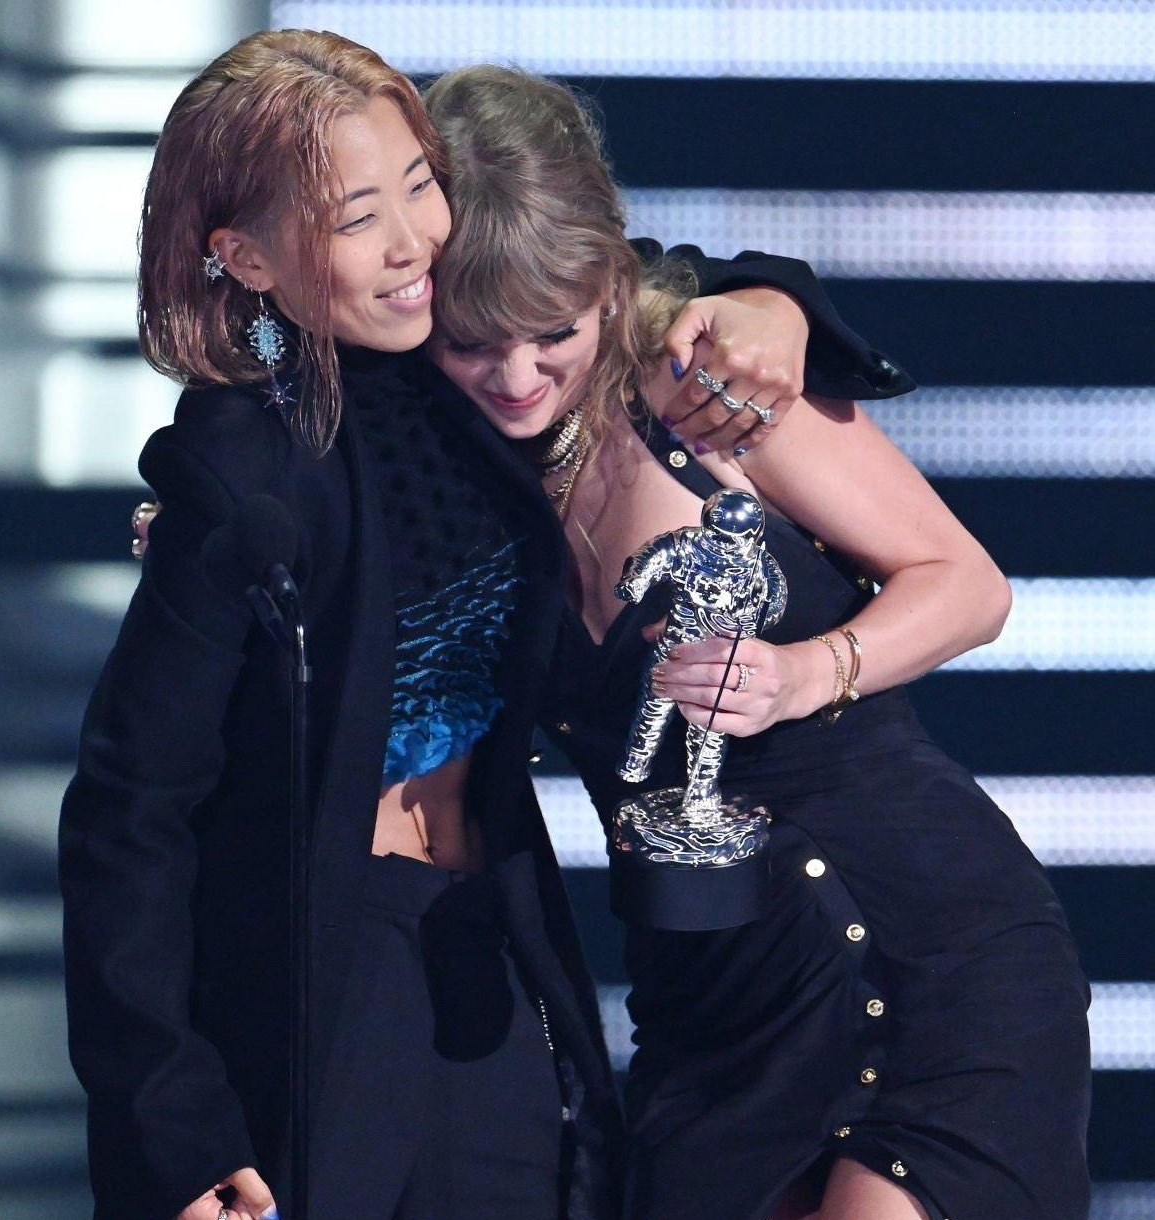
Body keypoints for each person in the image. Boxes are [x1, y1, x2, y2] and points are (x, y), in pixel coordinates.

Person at [59, 29, 904, 1220]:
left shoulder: (473, 371)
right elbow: (127, 814)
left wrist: (769, 299)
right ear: (245, 256)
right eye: (358, 217)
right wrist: (169, 1119)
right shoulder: (240, 474)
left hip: (493, 947)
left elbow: (603, 271)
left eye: (420, 185)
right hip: (324, 975)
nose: (413, 240)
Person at [421, 65, 1092, 1220]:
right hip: (713, 1012)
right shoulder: (437, 480)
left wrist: (803, 673)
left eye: (552, 332)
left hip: (934, 953)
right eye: (474, 342)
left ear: (608, 282)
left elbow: (969, 585)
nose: (518, 376)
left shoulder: (705, 389)